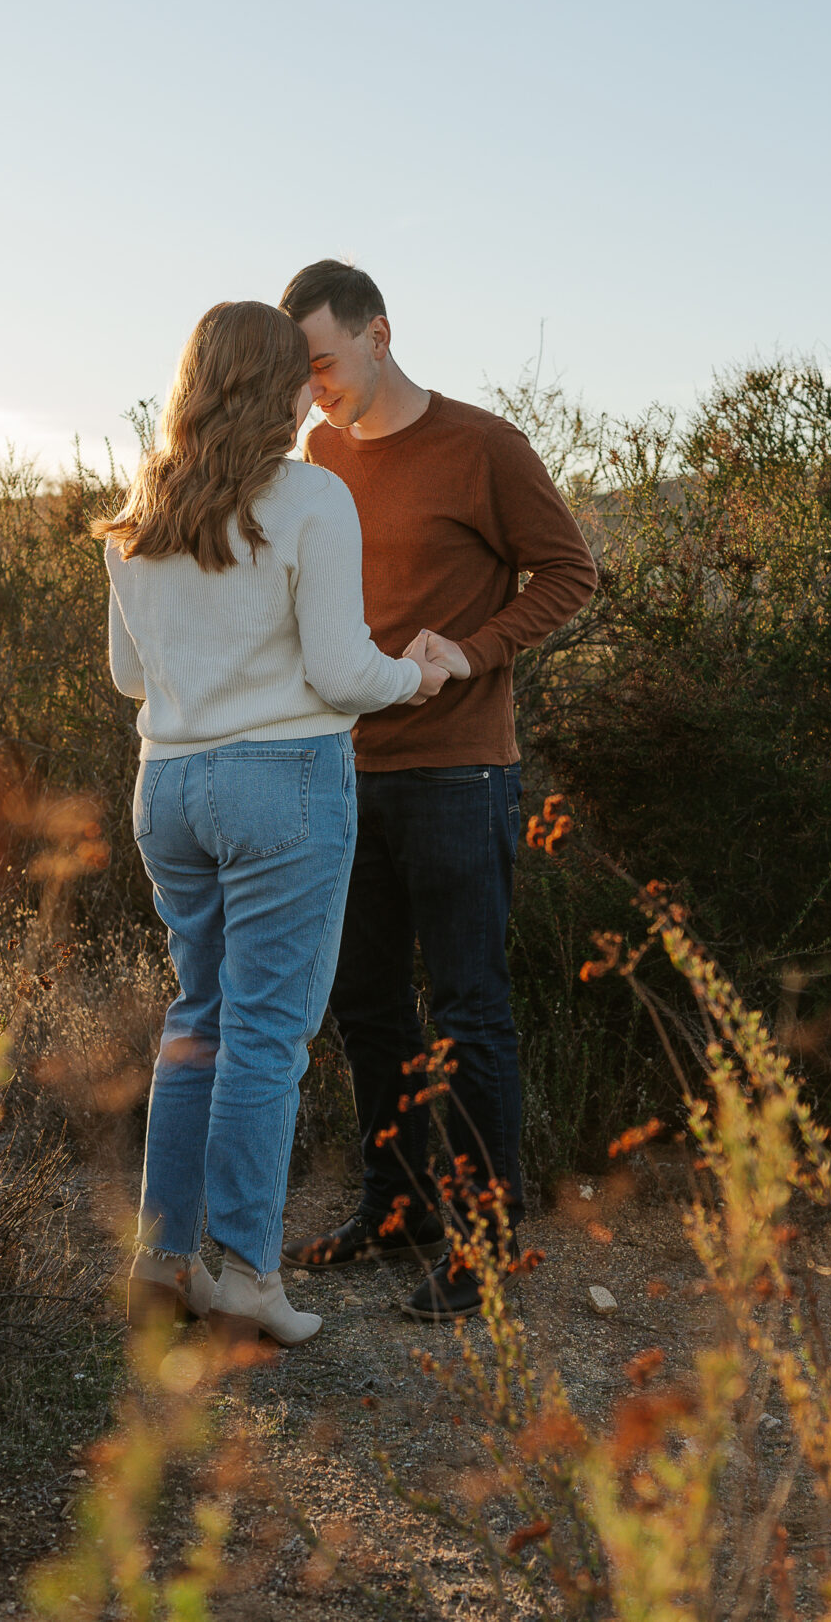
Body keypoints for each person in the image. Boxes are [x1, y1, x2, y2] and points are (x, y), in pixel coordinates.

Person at [101, 298, 461, 1348]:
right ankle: (250, 1277)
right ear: (276, 384)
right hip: (280, 781)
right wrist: (420, 674)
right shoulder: (311, 496)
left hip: (165, 784)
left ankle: (163, 1262)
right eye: (301, 371)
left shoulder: (138, 515)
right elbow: (343, 670)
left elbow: (132, 675)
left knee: (195, 1020)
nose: (315, 385)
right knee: (264, 1035)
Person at [275, 260, 599, 1321]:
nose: (315, 384)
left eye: (324, 359)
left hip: (460, 771)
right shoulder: (317, 455)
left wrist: (473, 649)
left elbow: (568, 574)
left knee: (467, 1010)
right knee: (365, 1005)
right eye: (302, 369)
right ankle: (397, 1204)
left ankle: (488, 1239)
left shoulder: (483, 445)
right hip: (341, 771)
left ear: (377, 332)